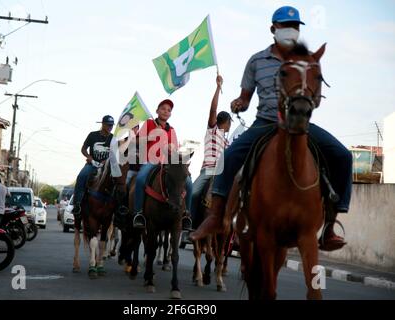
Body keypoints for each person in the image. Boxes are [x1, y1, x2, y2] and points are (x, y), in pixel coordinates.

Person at [191, 6, 352, 252]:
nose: (291, 31)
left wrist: (306, 101)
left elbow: (316, 97)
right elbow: (245, 99)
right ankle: (215, 216)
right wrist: (238, 104)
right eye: (285, 27)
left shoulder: (307, 61)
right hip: (265, 123)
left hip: (300, 124)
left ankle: (330, 226)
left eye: (295, 27)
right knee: (228, 157)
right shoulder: (256, 60)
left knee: (343, 155)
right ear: (273, 29)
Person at [132, 99, 192, 230]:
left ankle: (186, 214)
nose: (166, 111)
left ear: (171, 114)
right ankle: (138, 213)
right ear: (157, 111)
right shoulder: (149, 123)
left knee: (188, 183)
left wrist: (173, 149)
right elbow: (136, 141)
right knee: (141, 178)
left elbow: (175, 151)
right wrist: (149, 137)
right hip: (151, 161)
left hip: (167, 163)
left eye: (169, 110)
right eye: (163, 109)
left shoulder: (172, 130)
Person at [190, 74, 232, 230]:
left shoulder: (227, 143)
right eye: (229, 124)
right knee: (193, 193)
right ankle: (189, 221)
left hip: (222, 173)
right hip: (208, 170)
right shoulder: (212, 130)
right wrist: (218, 87)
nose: (229, 127)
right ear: (226, 122)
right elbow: (213, 109)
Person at [72, 115, 115, 215]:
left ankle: (119, 208)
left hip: (107, 166)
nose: (110, 127)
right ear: (103, 124)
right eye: (108, 125)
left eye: (111, 125)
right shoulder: (92, 135)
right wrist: (89, 157)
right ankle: (77, 204)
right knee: (81, 176)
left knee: (119, 179)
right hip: (92, 164)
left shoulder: (113, 138)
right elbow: (83, 149)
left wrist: (107, 160)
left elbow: (114, 153)